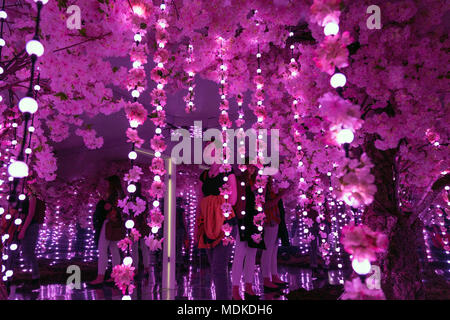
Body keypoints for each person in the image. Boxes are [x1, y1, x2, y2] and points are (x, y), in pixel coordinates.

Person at [195, 157, 237, 300]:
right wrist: (197, 225)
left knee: (219, 267)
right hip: (207, 224)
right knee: (214, 266)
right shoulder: (204, 175)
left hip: (224, 222)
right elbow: (199, 200)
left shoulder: (227, 170)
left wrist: (218, 212)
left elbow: (233, 199)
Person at [7, 183, 45, 291]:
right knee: (12, 252)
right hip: (18, 226)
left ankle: (35, 279)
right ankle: (7, 281)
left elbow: (31, 214)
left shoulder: (32, 196)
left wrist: (23, 230)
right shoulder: (20, 194)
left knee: (28, 252)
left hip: (30, 226)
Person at [89, 175, 125, 286]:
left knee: (102, 249)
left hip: (108, 224)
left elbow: (107, 207)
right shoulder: (121, 194)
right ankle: (116, 276)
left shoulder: (112, 194)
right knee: (114, 250)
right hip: (117, 224)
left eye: (108, 183)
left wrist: (101, 203)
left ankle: (100, 276)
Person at [260, 176, 289, 292]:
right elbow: (265, 205)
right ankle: (266, 278)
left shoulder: (271, 185)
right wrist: (280, 196)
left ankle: (274, 275)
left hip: (275, 218)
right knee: (267, 250)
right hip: (269, 219)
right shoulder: (264, 186)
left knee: (274, 249)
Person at [131, 182, 151, 277]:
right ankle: (146, 268)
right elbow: (146, 211)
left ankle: (136, 268)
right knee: (144, 247)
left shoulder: (132, 199)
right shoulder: (143, 199)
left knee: (134, 247)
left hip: (135, 225)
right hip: (142, 224)